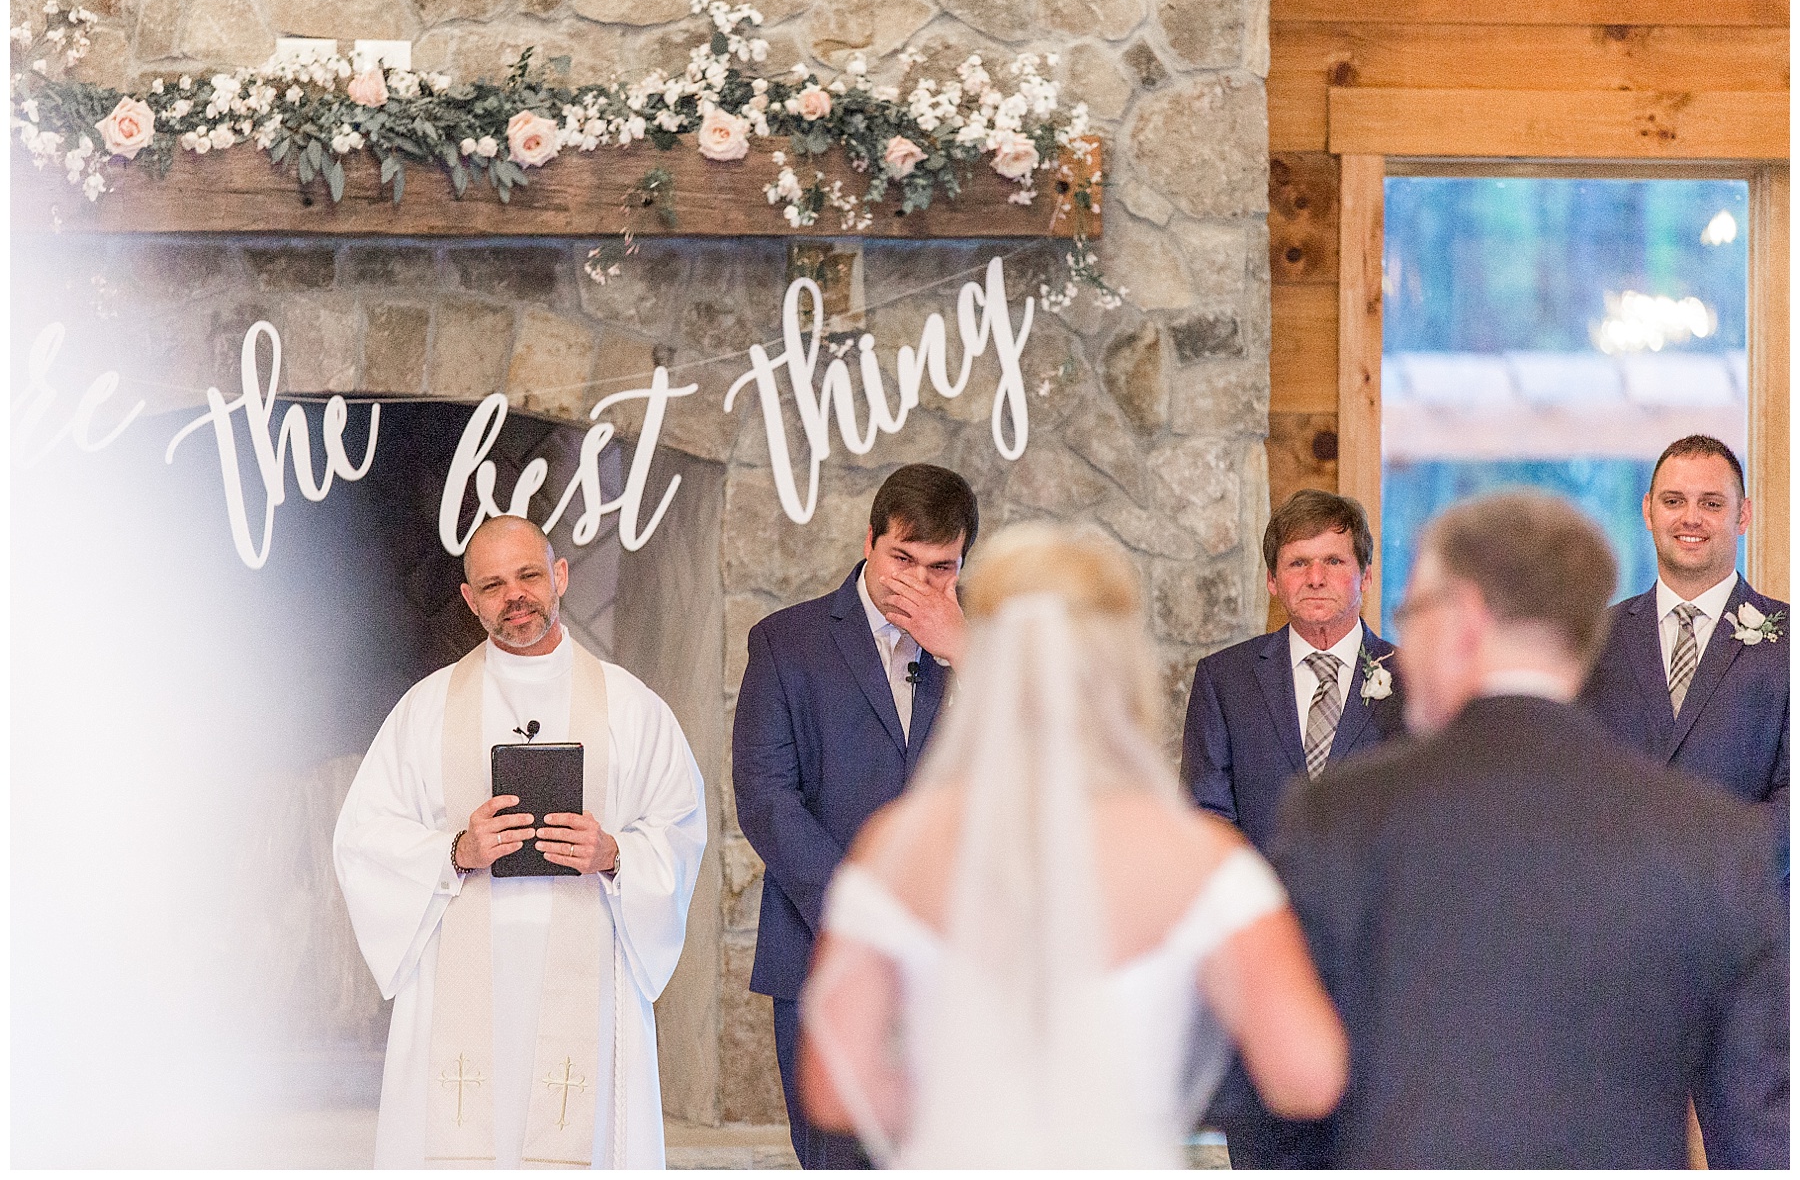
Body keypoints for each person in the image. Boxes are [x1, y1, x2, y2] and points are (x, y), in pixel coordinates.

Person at [796, 525, 1349, 1168]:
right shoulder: (1200, 859)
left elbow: (835, 1090)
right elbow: (1307, 1078)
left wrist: (965, 1105)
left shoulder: (897, 844)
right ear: (1121, 662)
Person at [1271, 491, 1789, 1169]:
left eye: (1412, 612)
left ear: (1467, 618)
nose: (1399, 652)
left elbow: (1285, 1105)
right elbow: (1758, 1126)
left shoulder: (1336, 816)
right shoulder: (1714, 841)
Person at [334, 515, 707, 1169]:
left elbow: (679, 828)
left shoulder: (630, 707)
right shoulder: (424, 711)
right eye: (493, 583)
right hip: (461, 975)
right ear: (469, 598)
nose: (515, 595)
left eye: (529, 574)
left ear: (559, 576)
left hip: (589, 978)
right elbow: (362, 839)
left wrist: (614, 854)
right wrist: (456, 848)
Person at [733, 463, 979, 1169]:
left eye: (941, 567)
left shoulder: (986, 650)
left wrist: (965, 650)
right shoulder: (787, 642)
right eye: (901, 557)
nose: (916, 581)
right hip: (827, 954)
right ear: (869, 539)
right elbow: (766, 796)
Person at [1179, 488, 1405, 1168]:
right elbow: (1206, 816)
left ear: (1364, 575)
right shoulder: (1223, 679)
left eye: (1333, 560)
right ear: (1273, 580)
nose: (1315, 576)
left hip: (1375, 969)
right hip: (1259, 970)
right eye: (1298, 561)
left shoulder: (1411, 679)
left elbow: (1423, 819)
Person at [1580, 434, 1788, 857]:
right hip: (1618, 905)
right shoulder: (1595, 637)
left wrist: (1714, 878)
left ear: (1742, 515)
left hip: (1744, 910)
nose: (1690, 518)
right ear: (1648, 511)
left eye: (1711, 504)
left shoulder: (1792, 641)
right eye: (1673, 501)